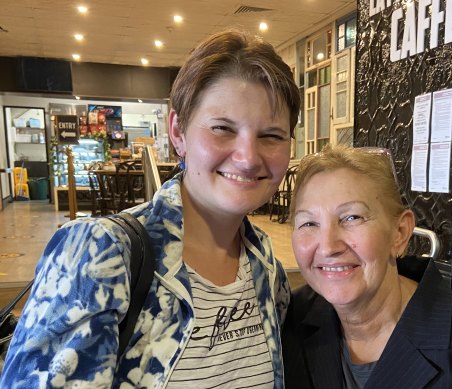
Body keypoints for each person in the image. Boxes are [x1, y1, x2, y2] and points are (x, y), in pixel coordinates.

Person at [1, 29, 300, 388]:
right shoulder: (99, 256)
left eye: (271, 135)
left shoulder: (266, 267)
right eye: (222, 128)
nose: (248, 157)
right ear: (178, 131)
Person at [282, 145, 452, 388]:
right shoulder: (287, 321)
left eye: (352, 217)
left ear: (400, 232)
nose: (328, 246)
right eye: (308, 223)